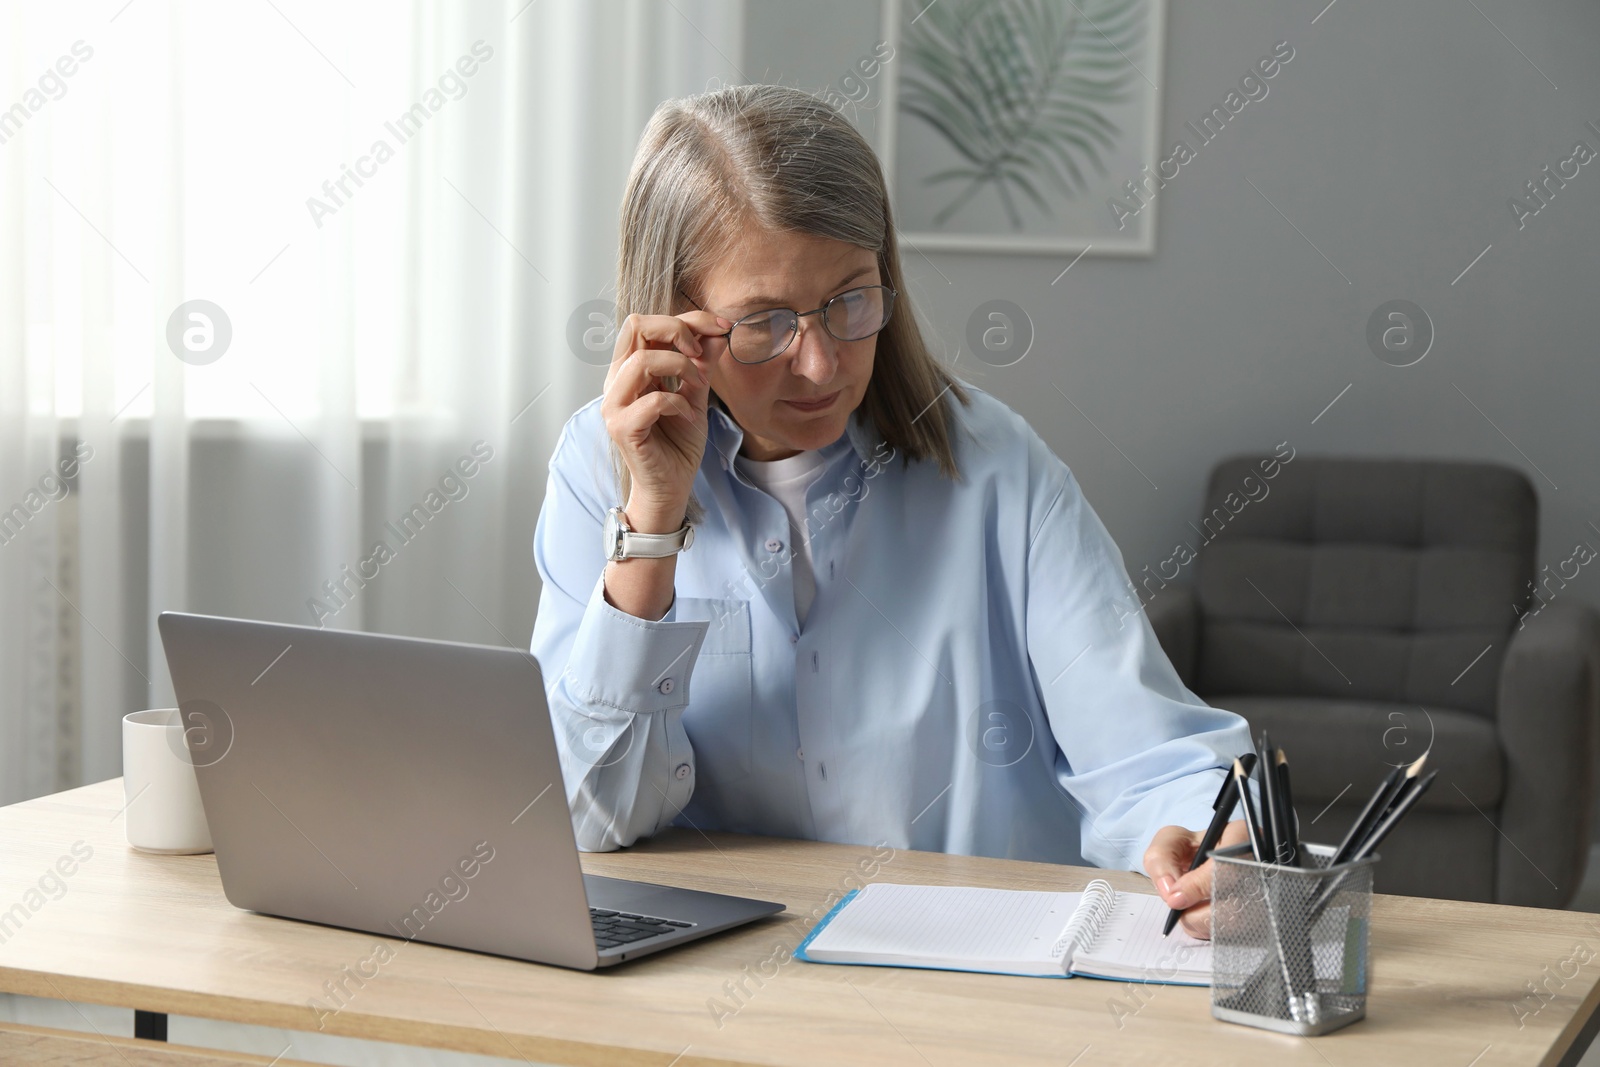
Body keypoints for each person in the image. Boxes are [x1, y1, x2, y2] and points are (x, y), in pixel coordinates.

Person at [530, 84, 1250, 939]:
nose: (821, 362)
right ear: (675, 322)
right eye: (764, 323)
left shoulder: (996, 467)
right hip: (714, 986)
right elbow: (587, 815)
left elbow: (1145, 751)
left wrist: (1213, 836)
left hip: (969, 979)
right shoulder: (598, 467)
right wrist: (653, 519)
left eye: (850, 301)